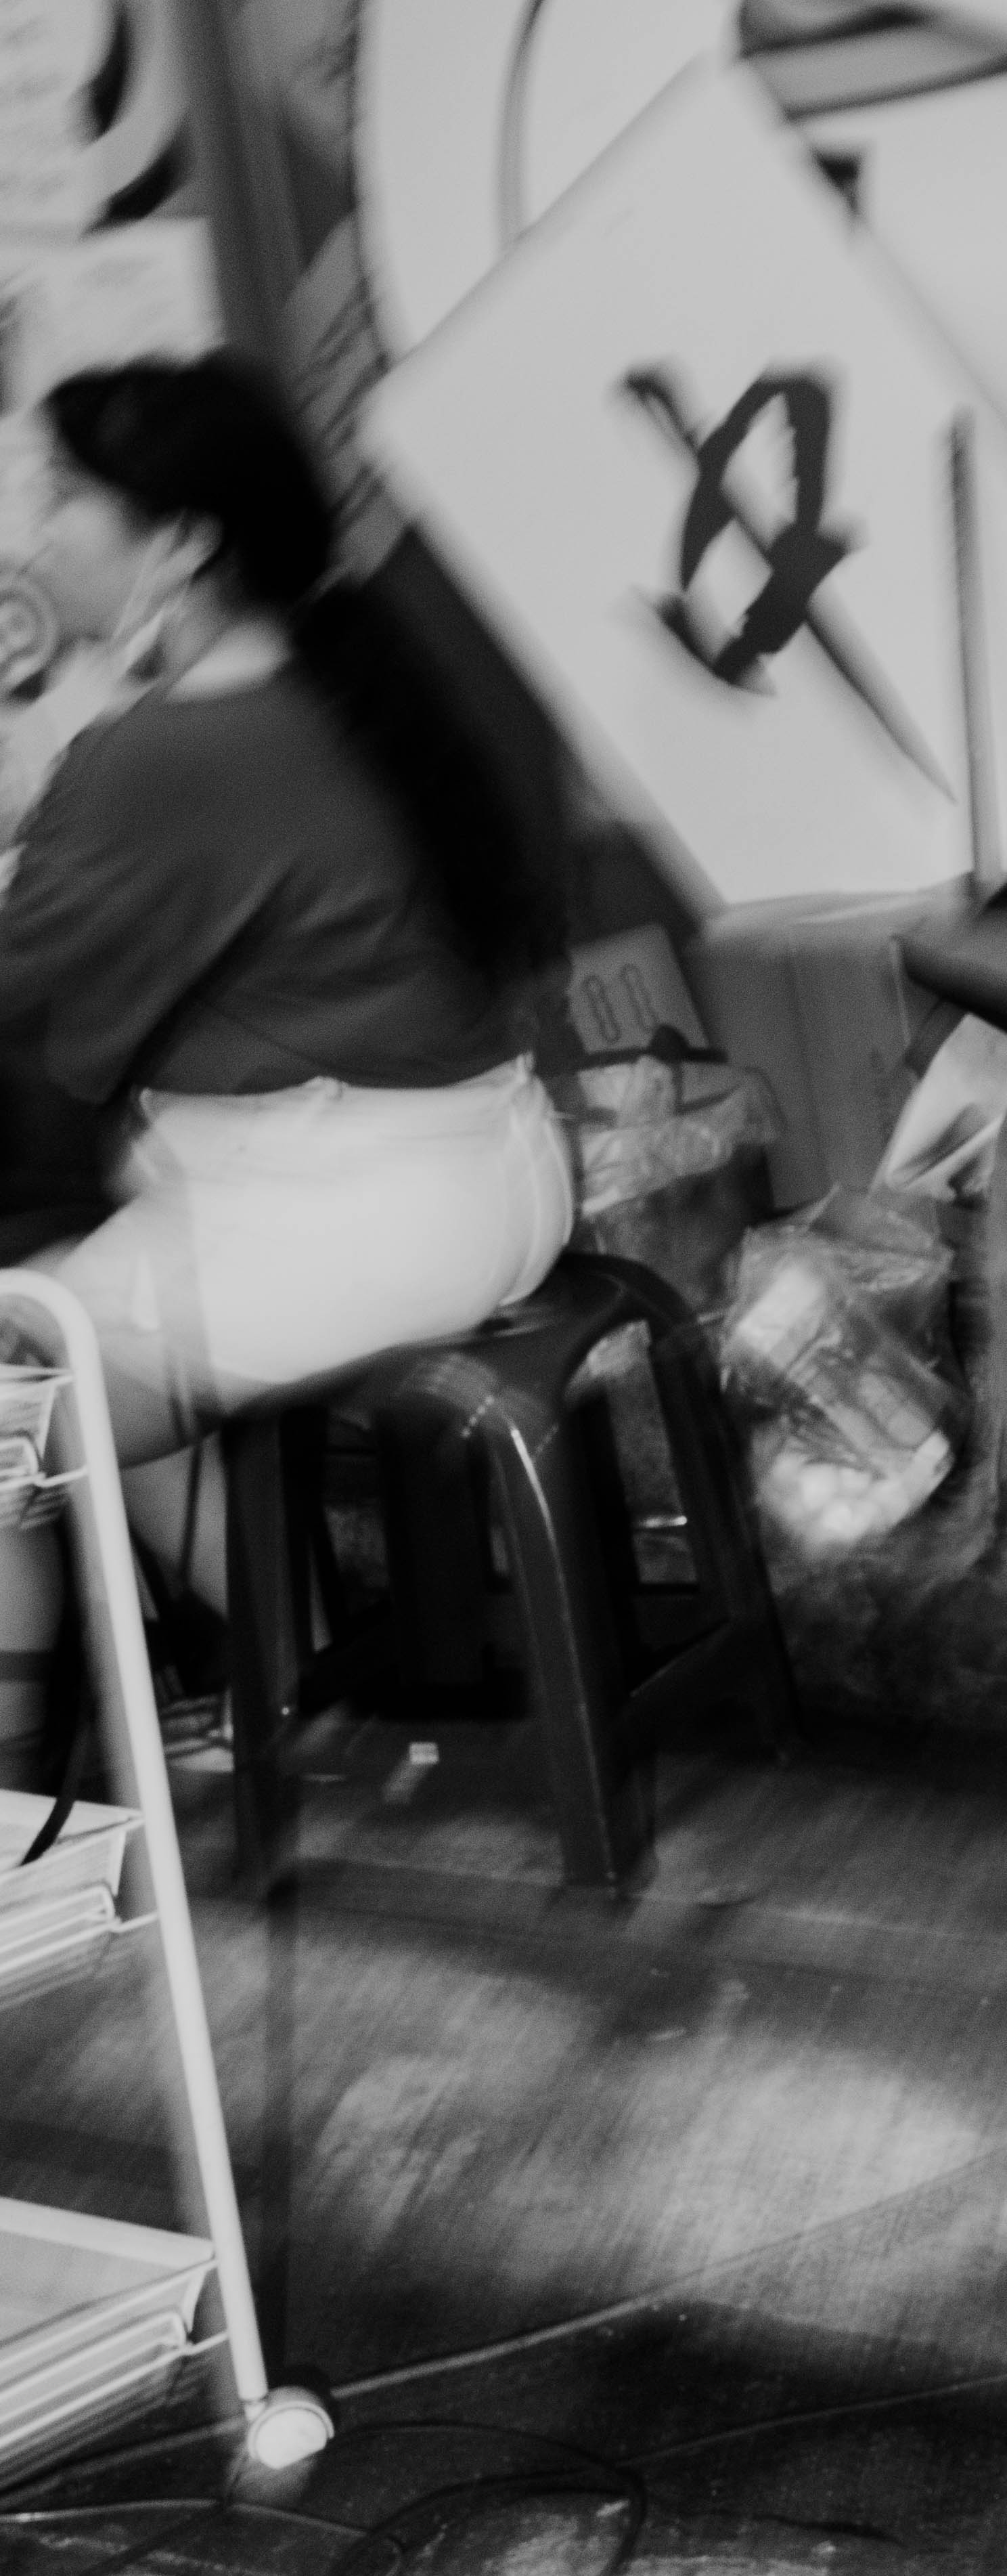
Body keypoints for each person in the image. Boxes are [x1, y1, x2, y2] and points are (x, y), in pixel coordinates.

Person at [0, 357, 568, 1785]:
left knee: (12, 1398)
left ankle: (13, 1834)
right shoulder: (351, 682)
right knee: (75, 1295)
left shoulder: (157, 756)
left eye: (67, 499)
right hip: (491, 1176)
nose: (37, 533)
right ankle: (304, 1696)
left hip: (353, 1226)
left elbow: (23, 987)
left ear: (182, 544)